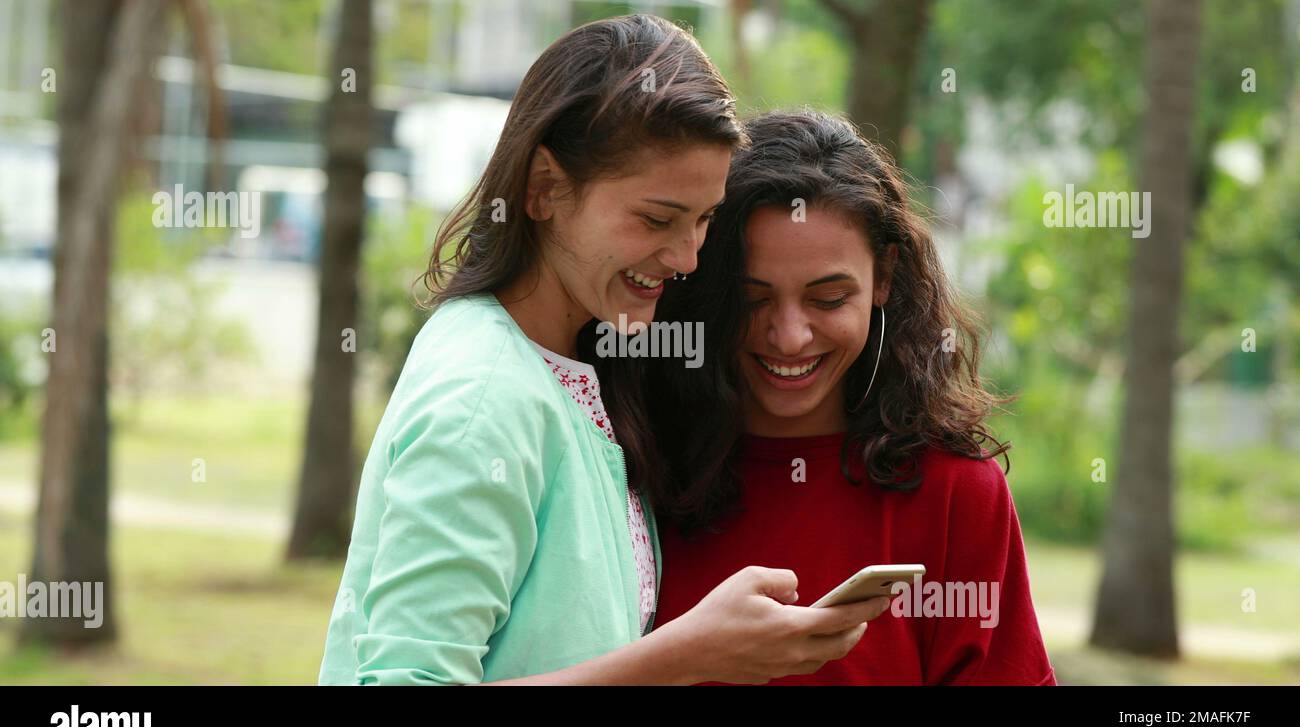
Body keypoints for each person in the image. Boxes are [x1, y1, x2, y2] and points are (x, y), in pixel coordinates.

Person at [317, 17, 890, 686]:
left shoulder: (578, 367)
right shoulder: (484, 394)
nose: (686, 259)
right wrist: (685, 655)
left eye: (704, 220)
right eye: (656, 219)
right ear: (544, 187)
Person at [647, 109, 1058, 685]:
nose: (789, 335)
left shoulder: (952, 494)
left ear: (884, 277)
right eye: (753, 299)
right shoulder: (639, 462)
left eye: (828, 299)